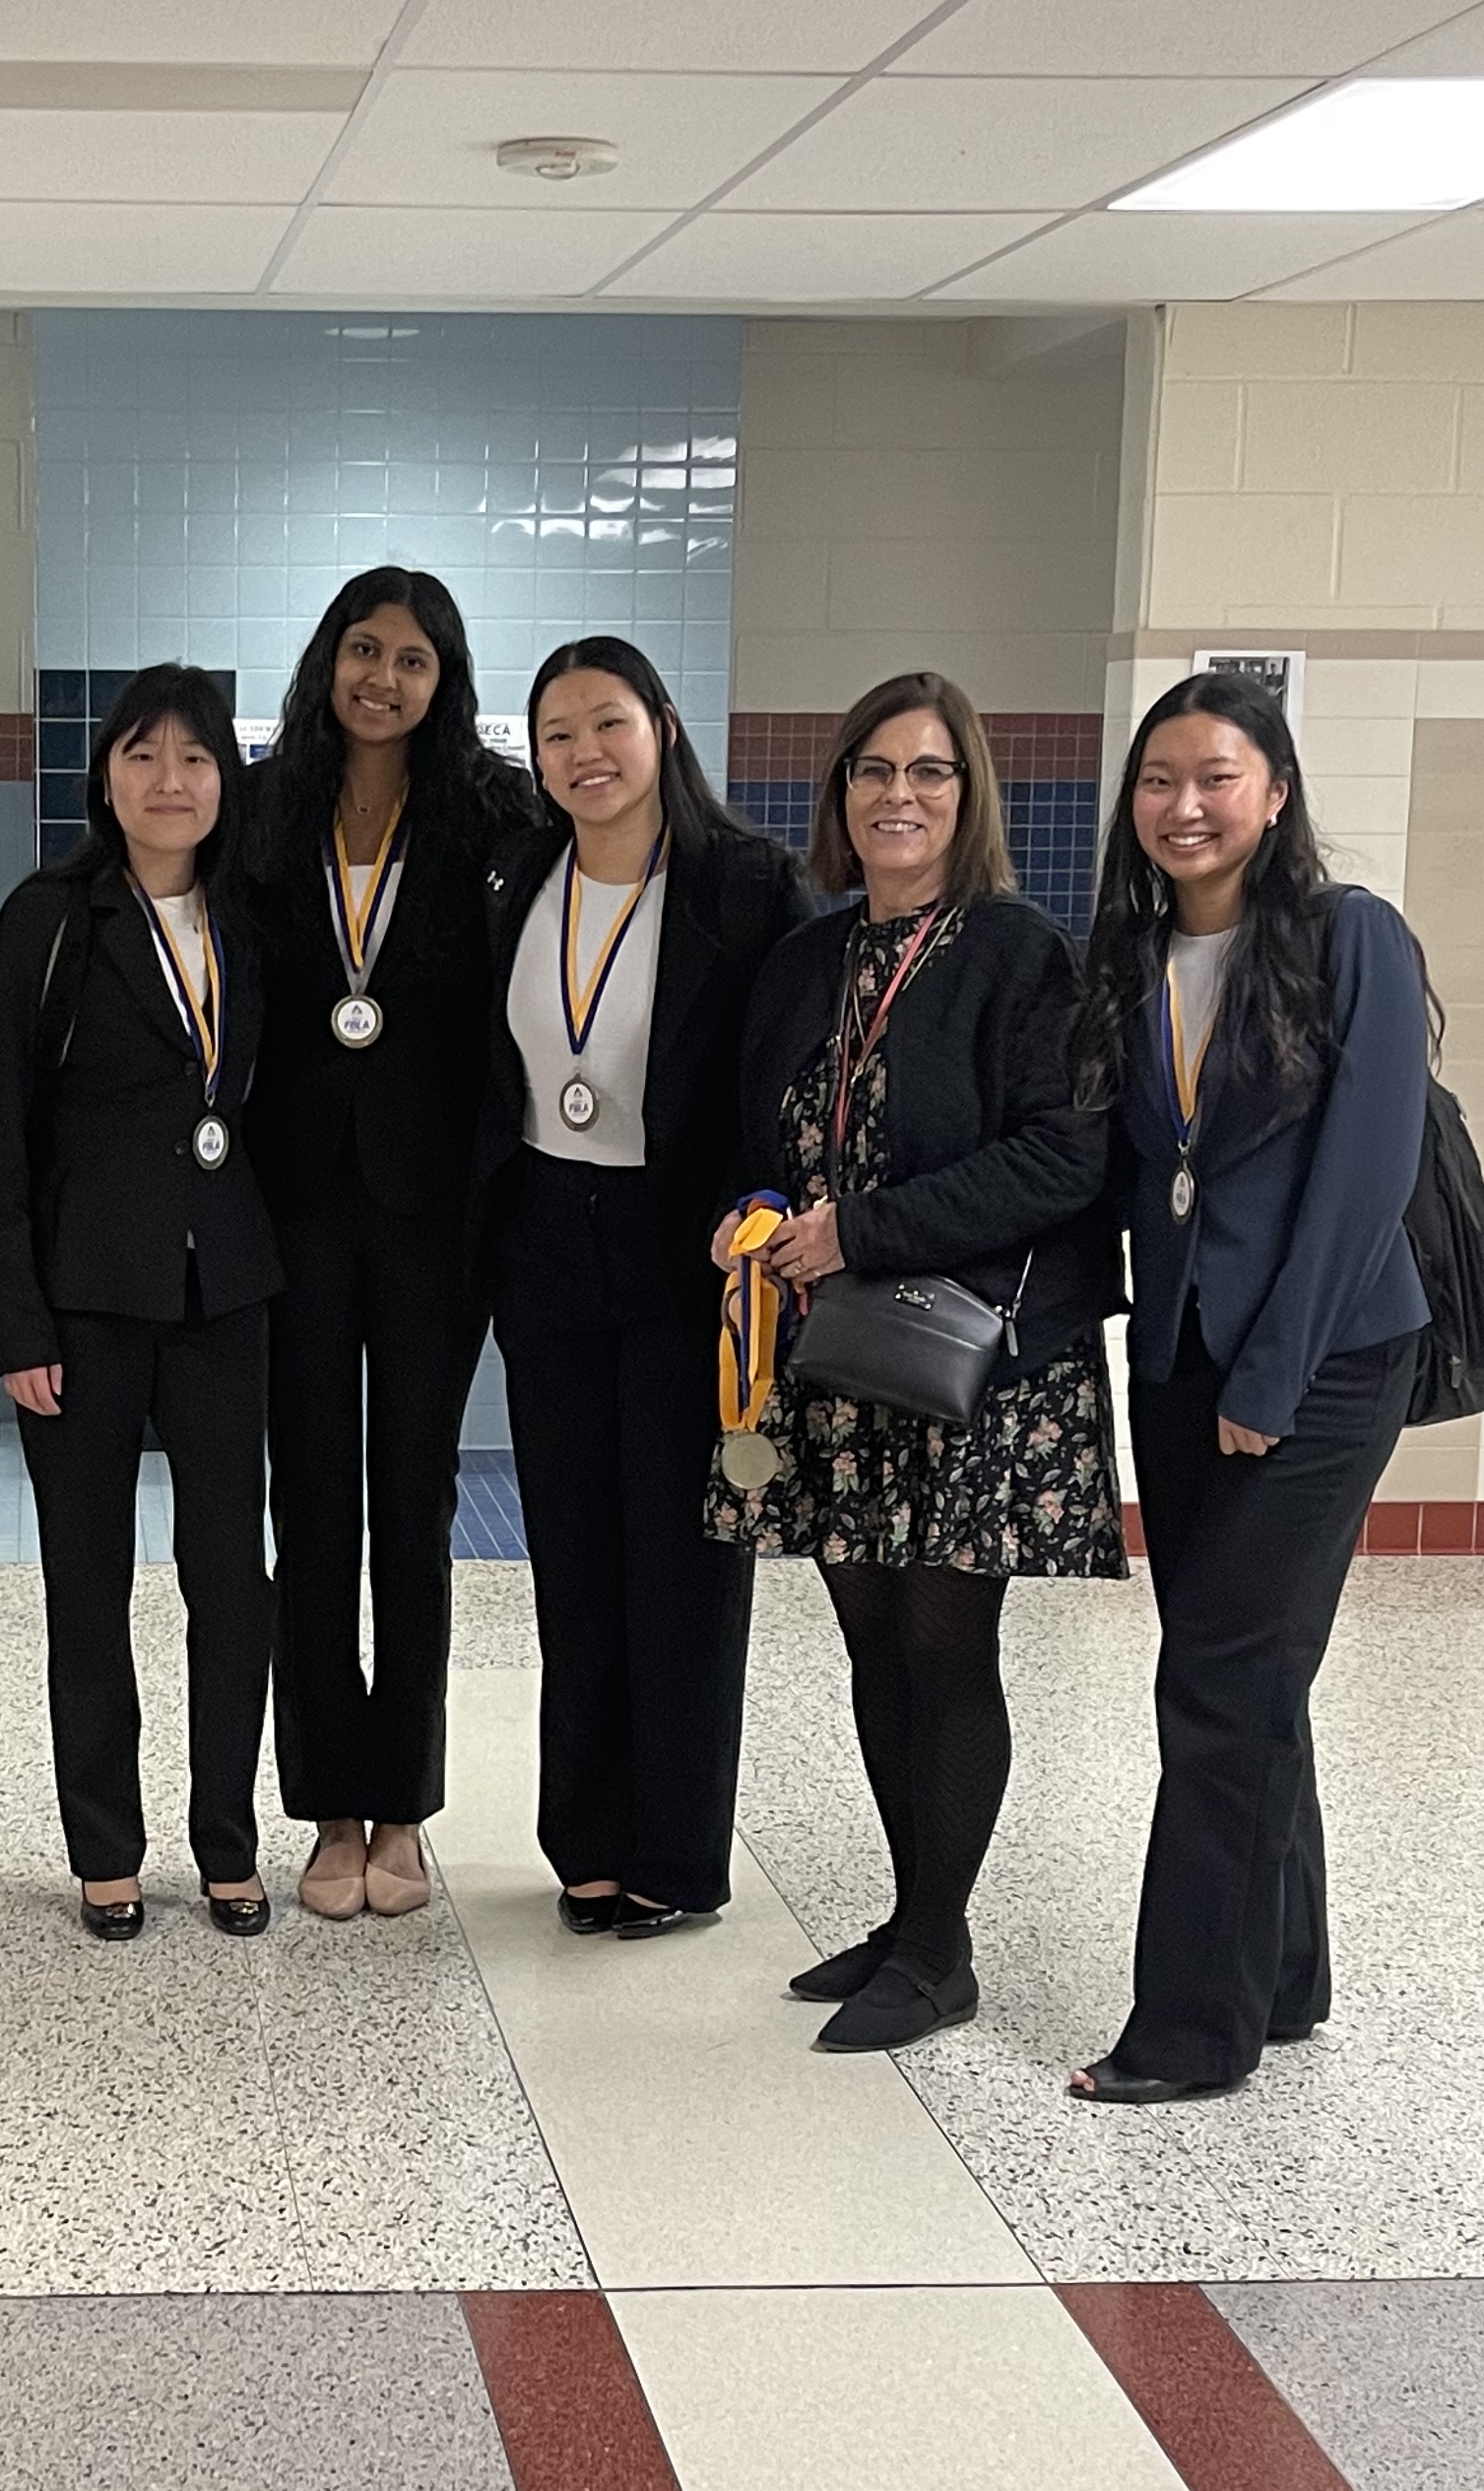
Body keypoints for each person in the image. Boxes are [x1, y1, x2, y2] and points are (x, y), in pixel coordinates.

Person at [708, 673, 1124, 2055]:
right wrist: (750, 1213)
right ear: (839, 796)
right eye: (873, 771)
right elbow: (757, 1137)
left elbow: (1065, 1156)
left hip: (975, 1368)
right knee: (871, 1639)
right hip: (831, 1362)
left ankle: (942, 1950)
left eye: (931, 773)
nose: (898, 795)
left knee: (948, 1644)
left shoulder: (1021, 956)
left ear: (971, 796)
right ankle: (908, 1914)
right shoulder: (804, 963)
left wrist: (856, 1230)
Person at [1070, 673, 1431, 2105]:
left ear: (1274, 792)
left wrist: (1273, 1376)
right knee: (1256, 1672)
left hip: (1326, 1361)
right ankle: (1283, 1973)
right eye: (1159, 781)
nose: (1186, 806)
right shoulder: (1131, 956)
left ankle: (1191, 2031)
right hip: (1180, 1359)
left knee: (1215, 1685)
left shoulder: (1354, 940)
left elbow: (1364, 1178)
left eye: (1217, 777)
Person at [480, 637, 820, 1940]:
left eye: (608, 723)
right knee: (569, 1549)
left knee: (683, 1555)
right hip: (547, 1245)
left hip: (693, 1248)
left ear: (663, 728)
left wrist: (765, 1203)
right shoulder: (520, 874)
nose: (586, 754)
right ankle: (586, 1840)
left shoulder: (745, 883)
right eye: (557, 733)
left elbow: (792, 1075)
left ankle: (676, 1854)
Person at [0, 664, 281, 1940]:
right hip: (85, 1304)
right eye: (142, 755)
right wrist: (20, 1322)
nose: (169, 781)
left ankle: (227, 1840)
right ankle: (105, 1844)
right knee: (87, 1582)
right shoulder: (51, 919)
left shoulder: (251, 921)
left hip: (225, 1294)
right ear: (107, 778)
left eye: (194, 758)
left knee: (230, 1583)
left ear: (223, 779)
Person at [239, 569, 537, 1923]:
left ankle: (405, 1807)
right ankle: (327, 1807)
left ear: (445, 678)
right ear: (328, 660)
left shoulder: (497, 812)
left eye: (413, 660)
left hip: (433, 1218)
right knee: (309, 1511)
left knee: (410, 1512)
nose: (384, 679)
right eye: (365, 651)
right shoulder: (265, 806)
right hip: (293, 1209)